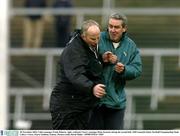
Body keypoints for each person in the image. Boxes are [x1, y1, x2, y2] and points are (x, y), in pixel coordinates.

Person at [89, 13, 142, 130]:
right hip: (93, 101)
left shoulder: (131, 45)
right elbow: (84, 61)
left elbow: (137, 69)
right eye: (110, 26)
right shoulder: (97, 38)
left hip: (116, 103)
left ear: (124, 29)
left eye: (116, 27)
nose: (112, 30)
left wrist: (124, 70)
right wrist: (101, 59)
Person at [49, 20, 106, 129]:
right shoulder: (73, 50)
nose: (96, 41)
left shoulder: (88, 45)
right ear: (83, 36)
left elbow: (90, 65)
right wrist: (92, 88)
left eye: (98, 38)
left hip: (81, 103)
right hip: (66, 104)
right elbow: (75, 75)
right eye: (93, 39)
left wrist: (103, 59)